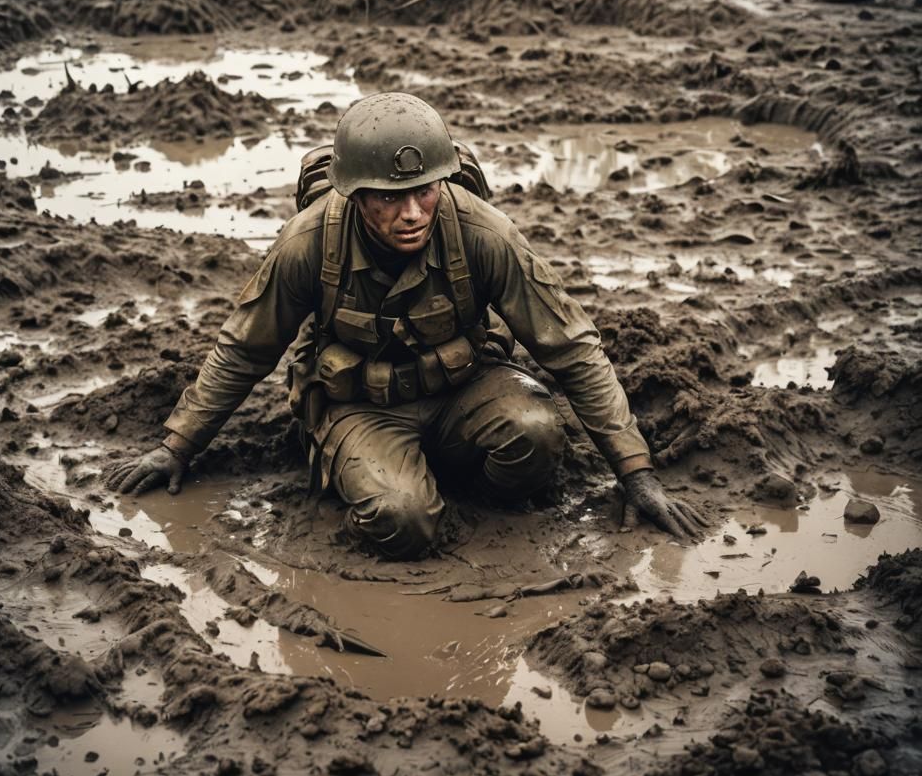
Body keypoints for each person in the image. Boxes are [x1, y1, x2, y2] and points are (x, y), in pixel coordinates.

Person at [107, 93, 706, 558]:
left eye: (424, 191)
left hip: (465, 387)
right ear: (355, 193)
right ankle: (386, 473)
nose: (413, 213)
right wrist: (176, 446)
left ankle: (452, 479)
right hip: (359, 405)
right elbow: (245, 349)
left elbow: (572, 348)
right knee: (402, 521)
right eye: (390, 198)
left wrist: (636, 473)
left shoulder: (484, 233)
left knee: (538, 437)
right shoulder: (309, 243)